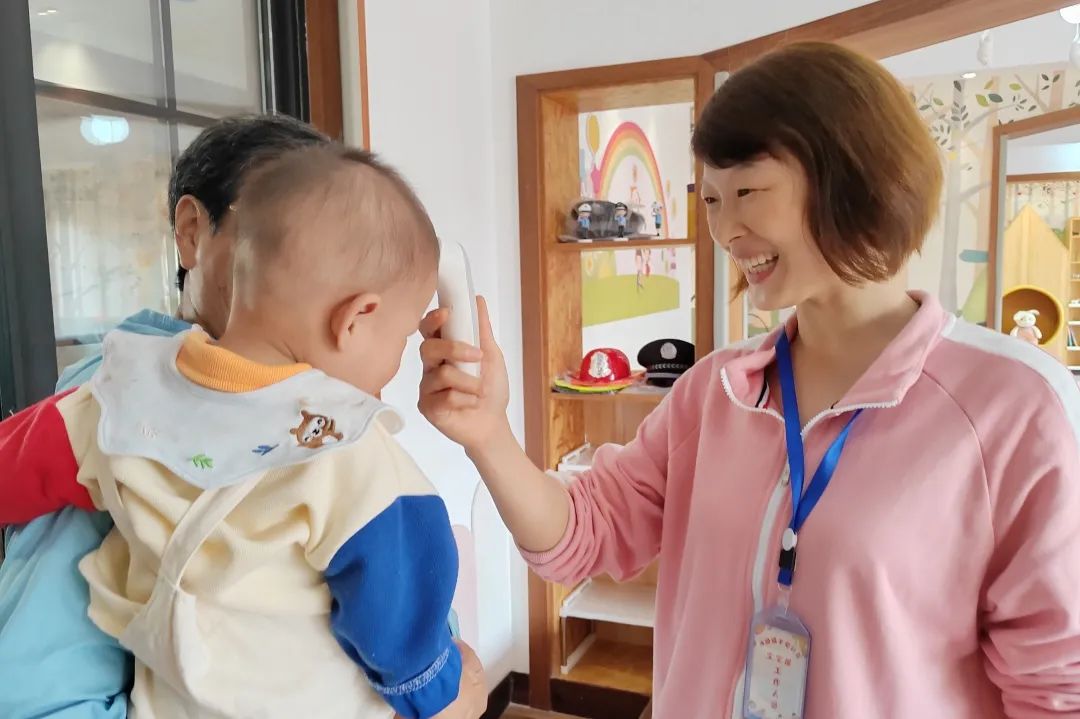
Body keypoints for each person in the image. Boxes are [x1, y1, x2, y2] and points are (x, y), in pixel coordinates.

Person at [417, 42, 1080, 718]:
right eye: (710, 198)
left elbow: (1057, 689)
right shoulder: (714, 392)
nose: (724, 228)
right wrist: (488, 434)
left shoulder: (1014, 408)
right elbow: (584, 533)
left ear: (854, 175)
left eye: (747, 192)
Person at [0, 143, 486, 719]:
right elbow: (401, 605)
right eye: (401, 338)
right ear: (355, 318)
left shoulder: (120, 395)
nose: (397, 362)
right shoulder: (350, 450)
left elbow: (15, 468)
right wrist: (439, 690)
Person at [0, 114, 329, 719]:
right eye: (277, 238)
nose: (312, 281)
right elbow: (40, 691)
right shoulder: (121, 407)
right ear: (192, 231)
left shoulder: (311, 405)